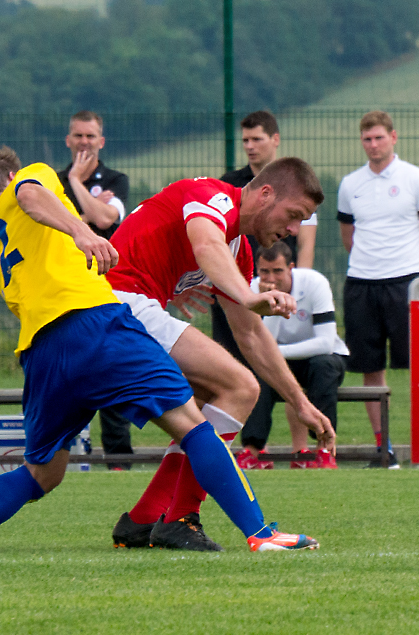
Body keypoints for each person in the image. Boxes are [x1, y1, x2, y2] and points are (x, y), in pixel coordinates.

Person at [0, 145, 318, 554]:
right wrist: (84, 232)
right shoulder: (32, 179)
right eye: (295, 215)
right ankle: (252, 532)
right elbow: (29, 194)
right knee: (197, 419)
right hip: (96, 323)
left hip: (42, 352)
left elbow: (243, 322)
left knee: (42, 472)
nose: (294, 227)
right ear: (11, 176)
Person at [104, 157, 336, 551]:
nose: (294, 230)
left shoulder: (238, 249)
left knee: (214, 401)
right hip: (115, 308)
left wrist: (300, 402)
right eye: (294, 215)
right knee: (240, 387)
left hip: (117, 314)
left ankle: (144, 519)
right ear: (264, 194)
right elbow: (205, 241)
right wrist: (250, 296)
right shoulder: (213, 198)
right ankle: (180, 518)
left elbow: (250, 334)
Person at [337, 110, 419, 468]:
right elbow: (348, 237)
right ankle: (383, 448)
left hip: (405, 286)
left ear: (393, 137)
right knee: (371, 368)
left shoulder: (416, 179)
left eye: (379, 137)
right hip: (361, 285)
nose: (373, 145)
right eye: (367, 139)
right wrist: (373, 265)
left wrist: (410, 270)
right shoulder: (351, 185)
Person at [58, 110, 134, 469]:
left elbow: (105, 220)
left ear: (101, 141)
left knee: (112, 365)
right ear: (68, 140)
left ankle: (119, 459)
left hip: (106, 288)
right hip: (62, 288)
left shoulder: (116, 180)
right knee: (64, 370)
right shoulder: (49, 182)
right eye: (78, 136)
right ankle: (55, 455)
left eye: (90, 136)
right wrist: (84, 211)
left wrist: (75, 184)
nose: (84, 143)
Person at [214, 111, 318, 370]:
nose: (250, 147)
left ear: (275, 139)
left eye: (257, 139)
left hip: (280, 283)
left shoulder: (296, 185)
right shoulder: (229, 184)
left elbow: (306, 242)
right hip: (236, 285)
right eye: (245, 140)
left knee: (274, 362)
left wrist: (298, 287)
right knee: (231, 362)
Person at [238, 241, 348, 470]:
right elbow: (262, 343)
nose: (271, 278)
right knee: (258, 371)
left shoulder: (315, 283)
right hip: (279, 361)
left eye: (278, 270)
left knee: (324, 365)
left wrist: (276, 353)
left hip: (320, 360)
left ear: (291, 267)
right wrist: (274, 304)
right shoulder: (251, 289)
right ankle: (253, 450)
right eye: (264, 271)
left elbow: (326, 343)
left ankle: (324, 451)